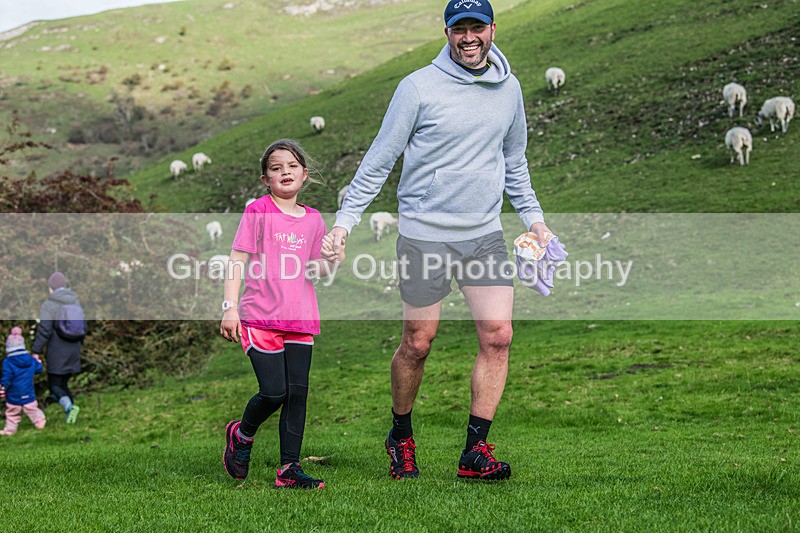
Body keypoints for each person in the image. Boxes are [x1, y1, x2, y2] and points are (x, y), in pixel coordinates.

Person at [326, 0, 554, 481]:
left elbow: (515, 163)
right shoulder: (417, 87)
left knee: (499, 336)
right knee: (418, 342)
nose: (468, 37)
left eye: (476, 28)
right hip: (424, 235)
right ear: (447, 33)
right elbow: (379, 160)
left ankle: (475, 451)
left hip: (484, 235)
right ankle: (401, 436)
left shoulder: (509, 90)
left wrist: (535, 220)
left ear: (492, 29)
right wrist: (344, 224)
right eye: (459, 29)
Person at [219, 139, 344, 489]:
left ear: (304, 174)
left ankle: (289, 469)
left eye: (291, 166)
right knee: (274, 392)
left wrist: (331, 262)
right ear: (265, 178)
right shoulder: (258, 211)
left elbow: (315, 270)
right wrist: (230, 309)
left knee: (298, 394)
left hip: (300, 318)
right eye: (276, 168)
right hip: (259, 316)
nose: (284, 172)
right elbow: (237, 260)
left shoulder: (315, 220)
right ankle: (242, 436)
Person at [32, 272, 82, 424]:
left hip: (56, 350)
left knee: (54, 385)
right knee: (64, 384)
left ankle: (69, 408)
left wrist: (36, 350)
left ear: (50, 288)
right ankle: (71, 417)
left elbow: (45, 330)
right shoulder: (75, 301)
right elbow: (82, 326)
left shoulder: (49, 304)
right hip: (73, 348)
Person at [1, 327, 47, 435]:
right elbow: (39, 369)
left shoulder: (8, 362)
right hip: (28, 391)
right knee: (32, 409)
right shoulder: (30, 360)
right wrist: (38, 361)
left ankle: (10, 430)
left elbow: (7, 377)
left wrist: (3, 388)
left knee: (12, 413)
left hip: (13, 393)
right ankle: (40, 423)